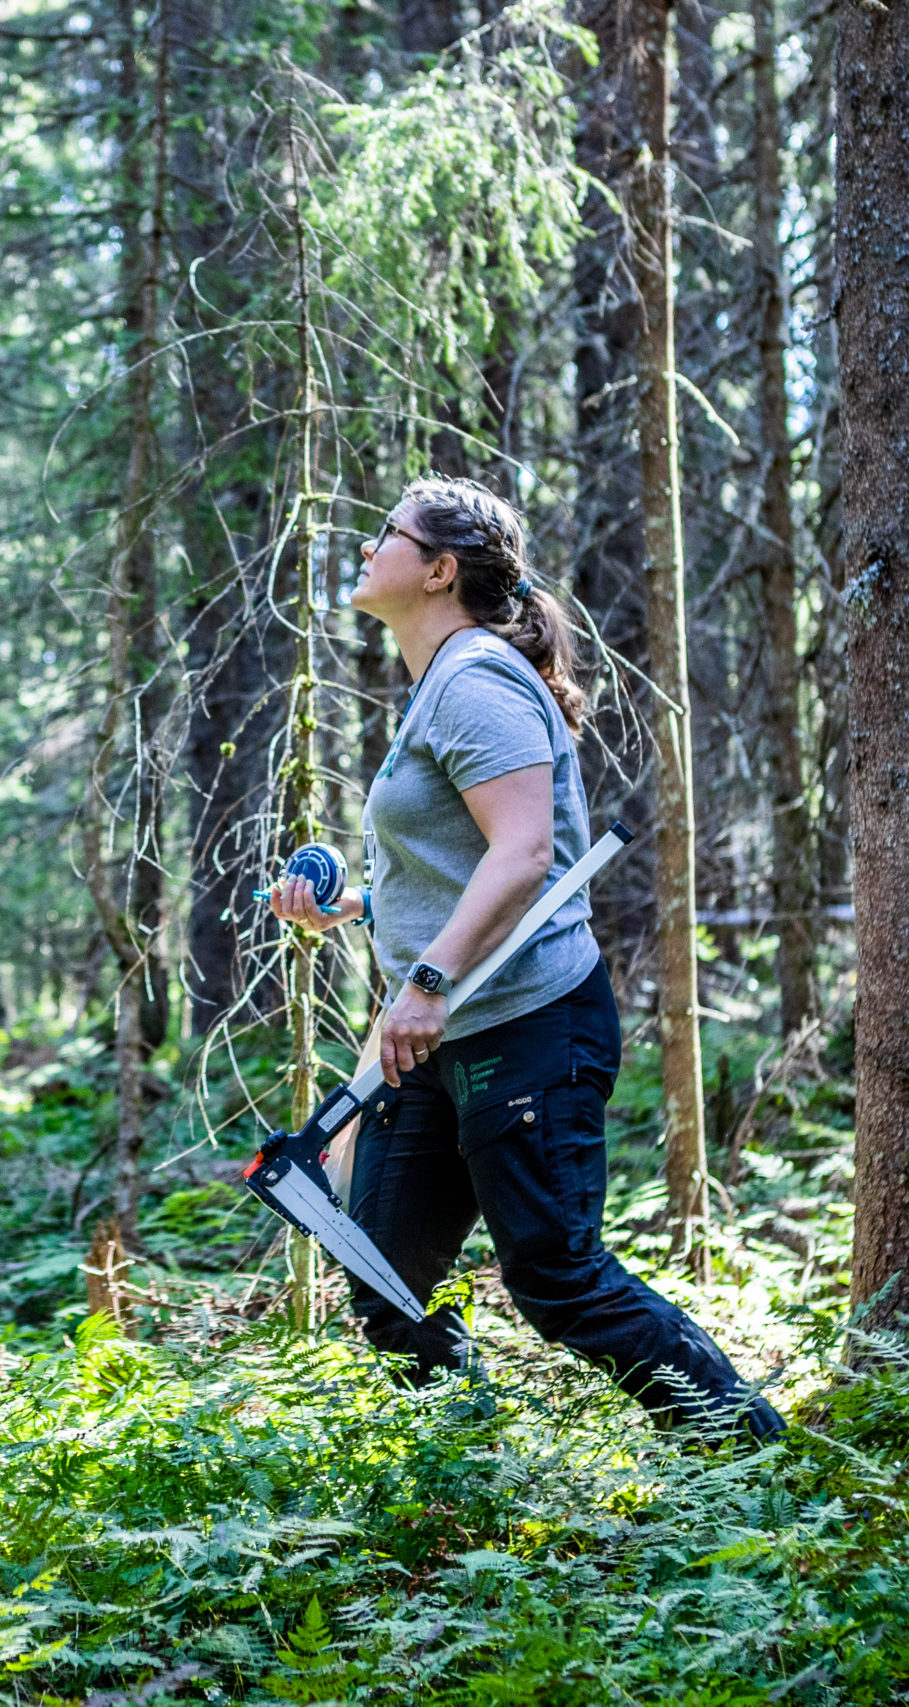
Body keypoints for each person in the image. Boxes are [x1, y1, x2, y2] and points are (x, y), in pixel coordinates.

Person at [268, 476, 783, 1444]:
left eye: (387, 535)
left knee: (556, 1278)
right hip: (437, 1035)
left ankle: (750, 1457)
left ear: (437, 570)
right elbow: (468, 864)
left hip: (525, 1025)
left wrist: (423, 981)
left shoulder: (473, 680)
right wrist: (360, 905)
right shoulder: (439, 684)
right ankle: (476, 1480)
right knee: (381, 1276)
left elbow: (525, 854)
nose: (367, 547)